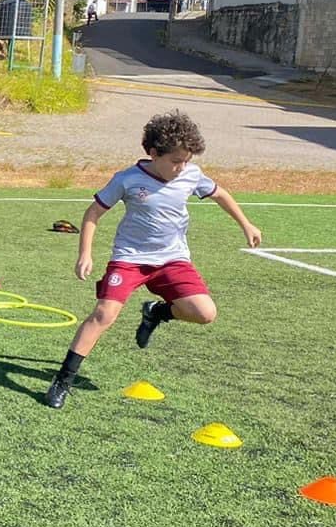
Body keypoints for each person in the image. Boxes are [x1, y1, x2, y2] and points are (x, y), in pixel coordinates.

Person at [43, 110, 263, 410]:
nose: (181, 167)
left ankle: (157, 313)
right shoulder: (128, 179)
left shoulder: (191, 175)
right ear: (154, 153)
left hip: (173, 260)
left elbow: (220, 194)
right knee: (104, 315)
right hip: (130, 259)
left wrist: (246, 224)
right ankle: (63, 380)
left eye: (186, 161)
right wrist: (85, 253)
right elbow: (93, 213)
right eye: (175, 161)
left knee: (205, 313)